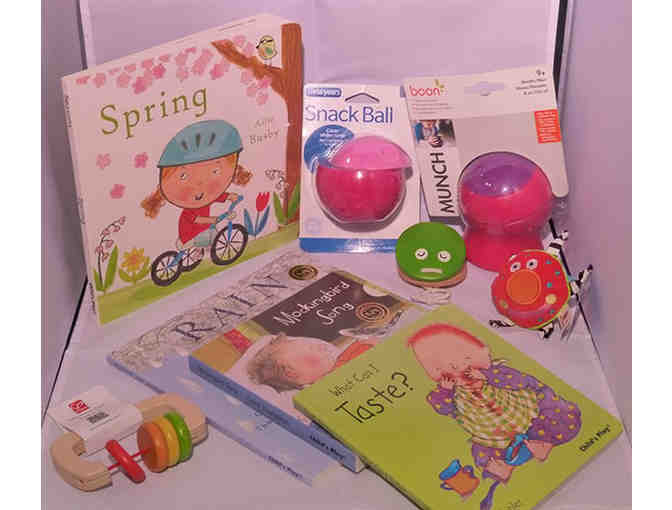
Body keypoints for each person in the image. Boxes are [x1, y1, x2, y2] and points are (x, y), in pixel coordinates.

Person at [408, 323, 581, 507]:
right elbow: (443, 408)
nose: (455, 369)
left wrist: (486, 377)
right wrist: (445, 390)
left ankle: (545, 443)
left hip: (524, 413)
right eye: (438, 369)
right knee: (481, 454)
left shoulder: (494, 372)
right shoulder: (451, 393)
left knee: (560, 412)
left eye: (465, 359)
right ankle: (505, 467)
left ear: (481, 353)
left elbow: (523, 381)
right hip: (492, 435)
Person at [141, 120, 251, 249]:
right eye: (183, 176)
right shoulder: (190, 207)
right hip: (190, 235)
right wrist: (213, 219)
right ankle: (209, 252)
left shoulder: (204, 196)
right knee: (214, 238)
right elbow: (196, 219)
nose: (200, 185)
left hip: (201, 230)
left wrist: (229, 196)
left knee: (213, 234)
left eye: (215, 171)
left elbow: (215, 196)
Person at [247, 333, 376, 392]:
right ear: (291, 373)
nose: (319, 344)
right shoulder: (333, 386)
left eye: (308, 342)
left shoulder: (345, 355)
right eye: (311, 348)